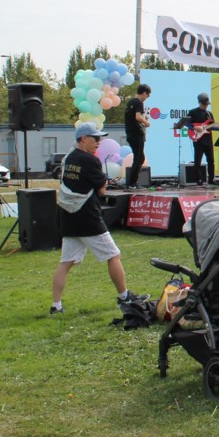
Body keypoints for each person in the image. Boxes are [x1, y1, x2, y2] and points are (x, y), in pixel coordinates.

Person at [50, 123, 148, 314]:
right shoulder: (90, 161)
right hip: (88, 217)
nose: (99, 142)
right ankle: (124, 297)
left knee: (66, 262)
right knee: (113, 255)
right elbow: (102, 190)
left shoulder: (68, 157)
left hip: (67, 216)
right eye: (95, 139)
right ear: (83, 139)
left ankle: (56, 305)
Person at [123, 83, 151, 190]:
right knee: (138, 158)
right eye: (147, 95)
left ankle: (132, 182)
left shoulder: (130, 102)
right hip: (136, 133)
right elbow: (138, 117)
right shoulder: (139, 103)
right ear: (144, 93)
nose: (146, 98)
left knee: (140, 157)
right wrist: (146, 123)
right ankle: (132, 184)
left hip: (130, 133)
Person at [189, 93, 217, 186]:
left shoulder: (209, 114)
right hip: (199, 140)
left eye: (207, 104)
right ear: (199, 102)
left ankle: (211, 179)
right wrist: (195, 128)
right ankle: (199, 180)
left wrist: (218, 127)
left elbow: (212, 127)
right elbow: (186, 123)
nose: (206, 106)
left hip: (208, 140)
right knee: (198, 161)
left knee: (211, 160)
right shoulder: (193, 112)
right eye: (204, 104)